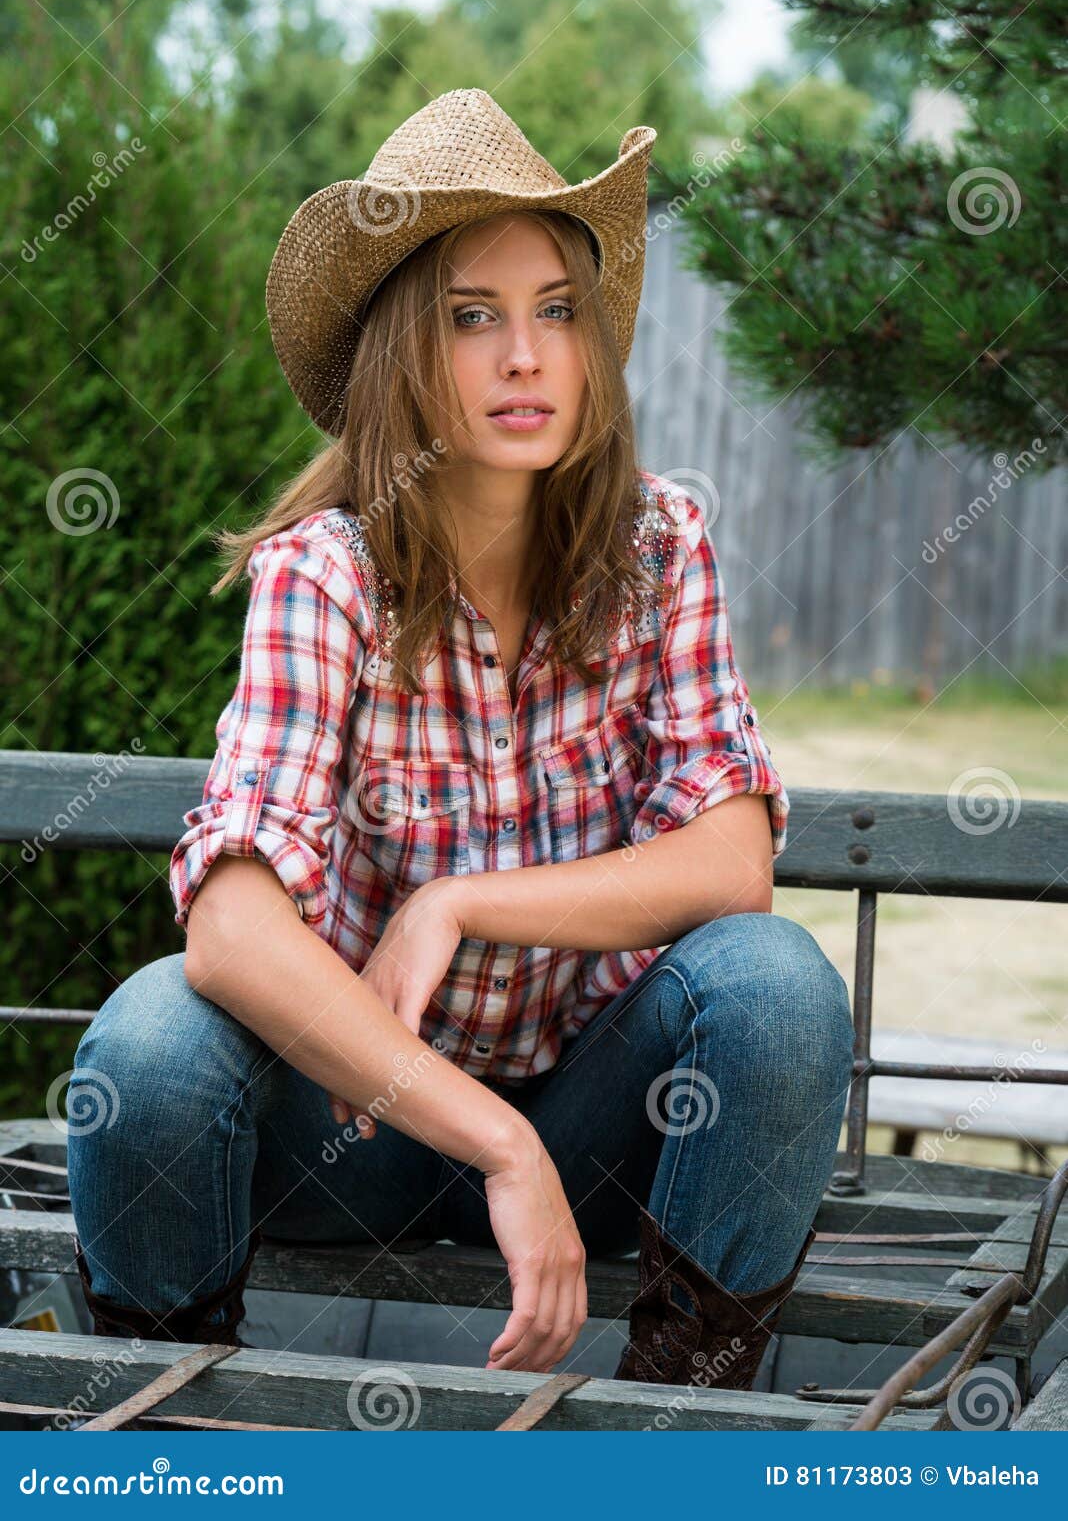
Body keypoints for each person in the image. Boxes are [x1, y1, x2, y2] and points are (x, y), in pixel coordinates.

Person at [67, 88, 854, 1390]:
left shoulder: (660, 550)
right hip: (352, 1126)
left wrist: (459, 900)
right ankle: (172, 1432)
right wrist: (496, 1144)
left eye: (556, 309)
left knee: (774, 982)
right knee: (152, 1041)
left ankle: (677, 1431)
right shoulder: (323, 576)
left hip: (604, 1118)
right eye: (471, 317)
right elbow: (232, 924)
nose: (526, 356)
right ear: (399, 355)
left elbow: (731, 862)